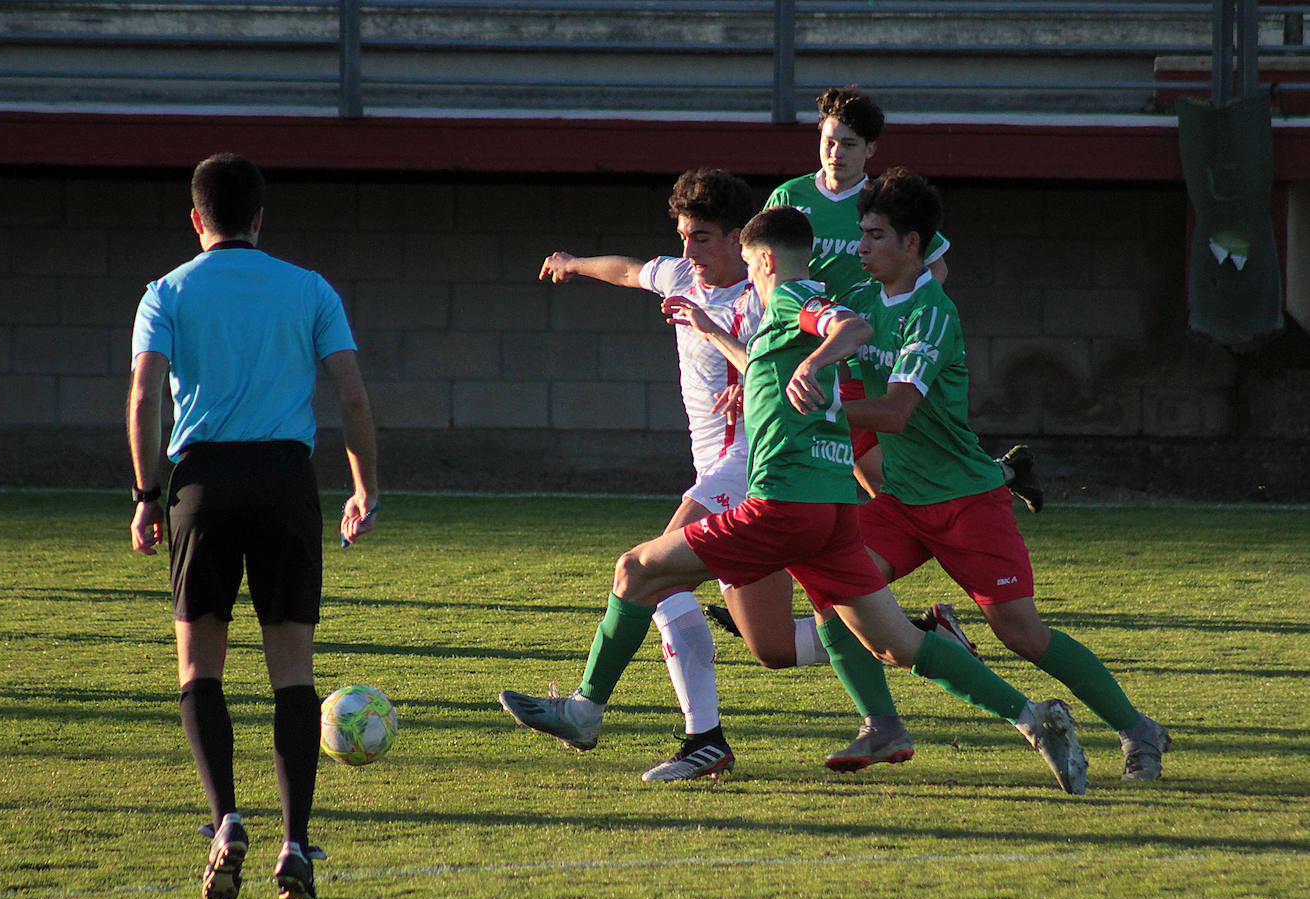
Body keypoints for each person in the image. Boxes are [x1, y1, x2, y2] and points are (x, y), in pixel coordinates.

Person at [500, 204, 1090, 796]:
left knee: (636, 569)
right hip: (829, 511)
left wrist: (813, 361)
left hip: (782, 507)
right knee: (894, 642)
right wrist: (716, 335)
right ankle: (1033, 717)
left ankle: (585, 713)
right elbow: (772, 364)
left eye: (753, 269)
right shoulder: (786, 309)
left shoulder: (791, 299)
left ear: (761, 258)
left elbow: (849, 328)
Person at [728, 170, 1170, 781]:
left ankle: (1138, 730)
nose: (860, 248)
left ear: (912, 245)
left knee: (1022, 635)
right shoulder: (855, 307)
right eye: (860, 234)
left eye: (875, 236)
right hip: (900, 500)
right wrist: (759, 388)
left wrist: (811, 404)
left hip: (966, 500)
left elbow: (897, 414)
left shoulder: (932, 314)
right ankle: (882, 725)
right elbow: (815, 373)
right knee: (833, 596)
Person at [127, 153, 380, 899]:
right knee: (292, 672)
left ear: (197, 219)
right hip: (285, 483)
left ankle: (227, 819)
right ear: (261, 218)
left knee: (199, 666)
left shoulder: (166, 290)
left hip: (202, 484)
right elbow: (354, 397)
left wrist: (146, 494)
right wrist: (364, 486)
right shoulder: (308, 288)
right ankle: (295, 843)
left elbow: (144, 392)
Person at [538, 167, 788, 782]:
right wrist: (573, 261)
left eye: (701, 238)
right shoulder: (681, 275)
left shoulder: (765, 298)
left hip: (749, 465)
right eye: (682, 236)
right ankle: (923, 636)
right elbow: (628, 270)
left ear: (739, 240)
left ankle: (596, 711)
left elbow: (790, 370)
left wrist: (751, 384)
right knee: (774, 644)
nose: (687, 251)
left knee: (642, 570)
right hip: (721, 471)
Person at [762, 85, 1041, 510]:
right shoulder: (789, 199)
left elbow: (936, 266)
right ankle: (997, 476)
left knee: (864, 452)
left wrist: (898, 322)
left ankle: (901, 526)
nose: (836, 152)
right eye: (828, 141)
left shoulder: (883, 203)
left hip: (858, 351)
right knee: (861, 457)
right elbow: (764, 273)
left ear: (871, 148)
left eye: (849, 144)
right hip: (808, 346)